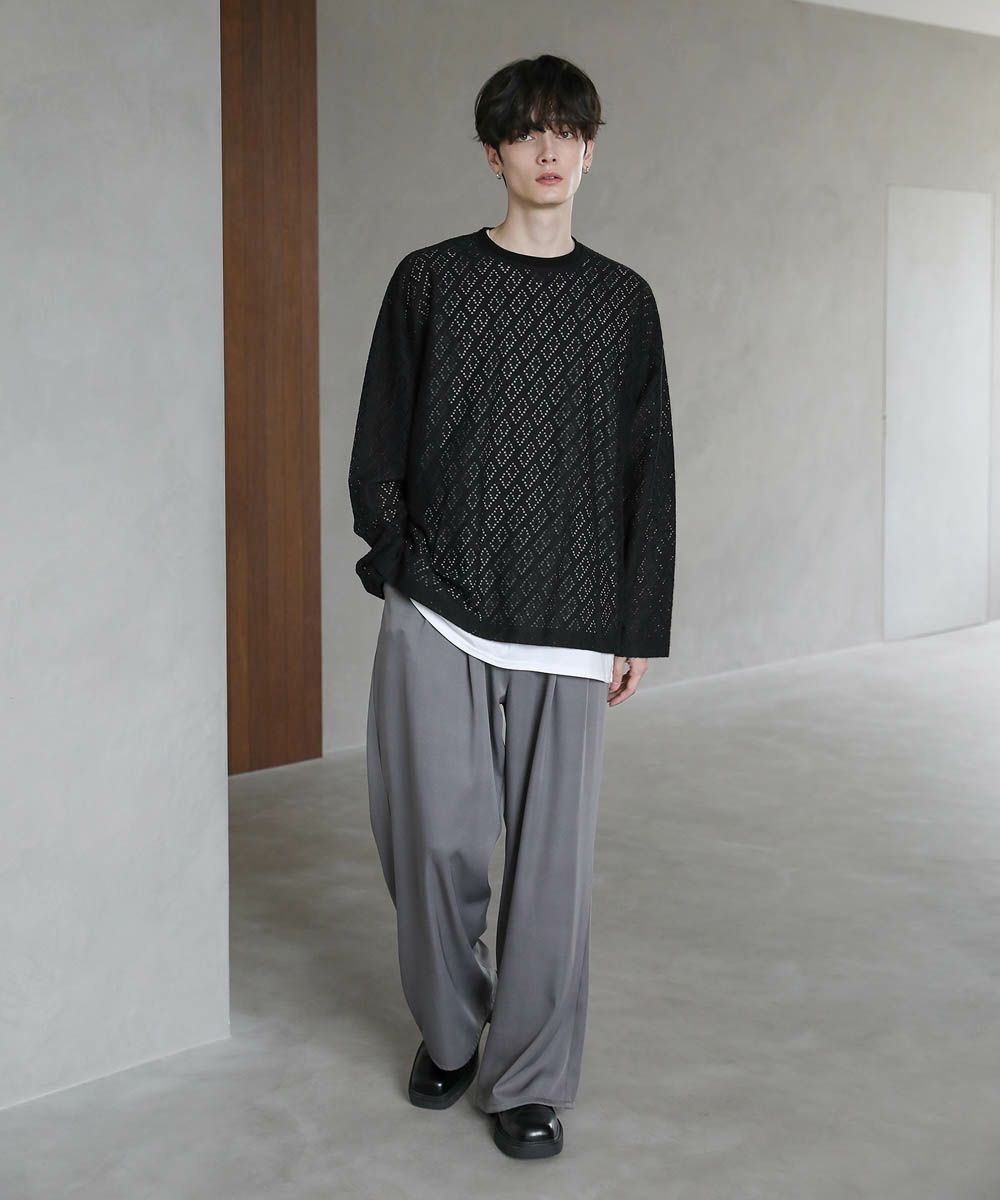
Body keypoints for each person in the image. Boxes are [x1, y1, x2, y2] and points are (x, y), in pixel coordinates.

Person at [348, 52, 676, 1160]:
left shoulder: (623, 302)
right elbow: (379, 438)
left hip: (573, 612)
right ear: (493, 153)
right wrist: (400, 556)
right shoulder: (431, 280)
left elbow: (647, 468)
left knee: (551, 873)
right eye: (527, 132)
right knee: (431, 839)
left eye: (567, 132)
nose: (548, 150)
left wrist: (635, 622)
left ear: (589, 151)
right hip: (438, 600)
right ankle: (451, 1031)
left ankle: (529, 1079)